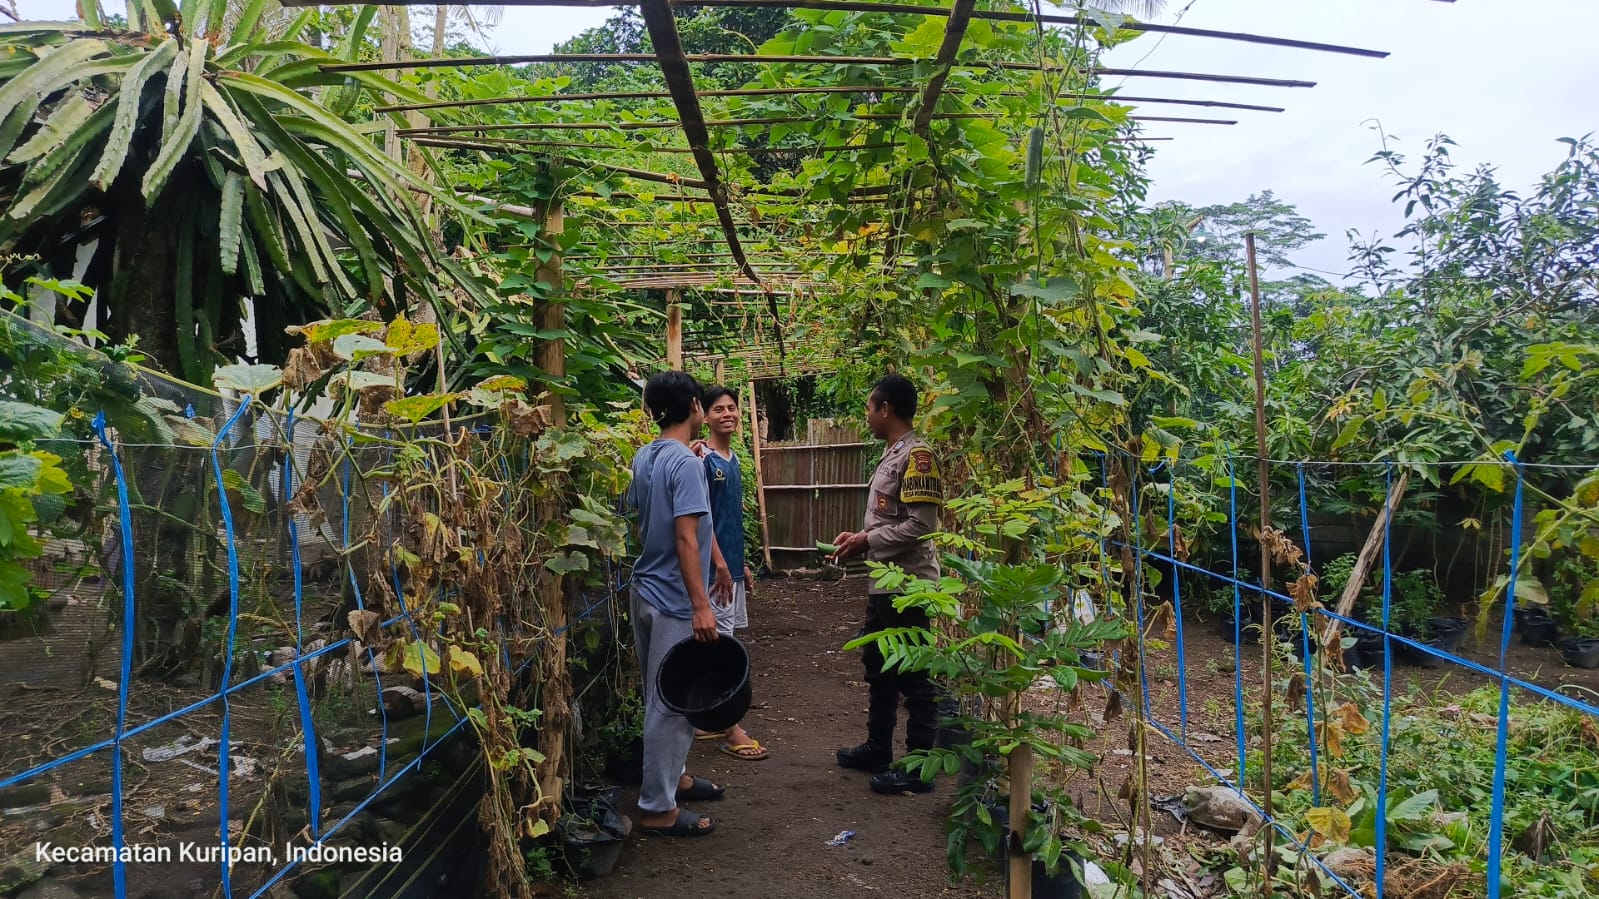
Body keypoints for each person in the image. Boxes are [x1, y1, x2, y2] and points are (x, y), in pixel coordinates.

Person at [829, 373, 945, 795]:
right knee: (878, 665)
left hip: (908, 586)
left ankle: (918, 767)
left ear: (886, 409)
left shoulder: (919, 457)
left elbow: (920, 525)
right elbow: (890, 519)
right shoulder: (894, 453)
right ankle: (879, 746)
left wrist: (866, 541)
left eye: (869, 408)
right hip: (885, 582)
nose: (867, 416)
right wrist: (860, 541)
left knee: (914, 675)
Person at [626, 371, 726, 837]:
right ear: (692, 405)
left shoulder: (645, 455)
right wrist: (700, 605)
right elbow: (687, 538)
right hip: (673, 597)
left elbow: (647, 520)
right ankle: (656, 809)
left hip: (645, 587)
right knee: (672, 700)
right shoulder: (686, 464)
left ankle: (675, 781)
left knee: (658, 693)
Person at [691, 386, 770, 761]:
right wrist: (721, 566)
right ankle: (732, 727)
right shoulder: (703, 460)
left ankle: (706, 720)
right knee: (723, 650)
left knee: (722, 642)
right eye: (718, 409)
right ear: (705, 416)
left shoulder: (732, 459)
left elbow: (728, 519)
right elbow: (701, 518)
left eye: (732, 408)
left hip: (729, 570)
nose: (728, 414)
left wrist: (739, 565)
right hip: (712, 572)